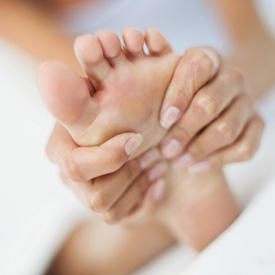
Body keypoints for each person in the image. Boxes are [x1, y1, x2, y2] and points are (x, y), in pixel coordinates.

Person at [1, 0, 274, 274]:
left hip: (226, 81)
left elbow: (261, 46)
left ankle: (167, 188)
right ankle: (166, 187)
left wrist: (217, 87)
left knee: (93, 240)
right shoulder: (10, 12)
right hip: (149, 128)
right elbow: (99, 99)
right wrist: (92, 146)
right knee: (71, 252)